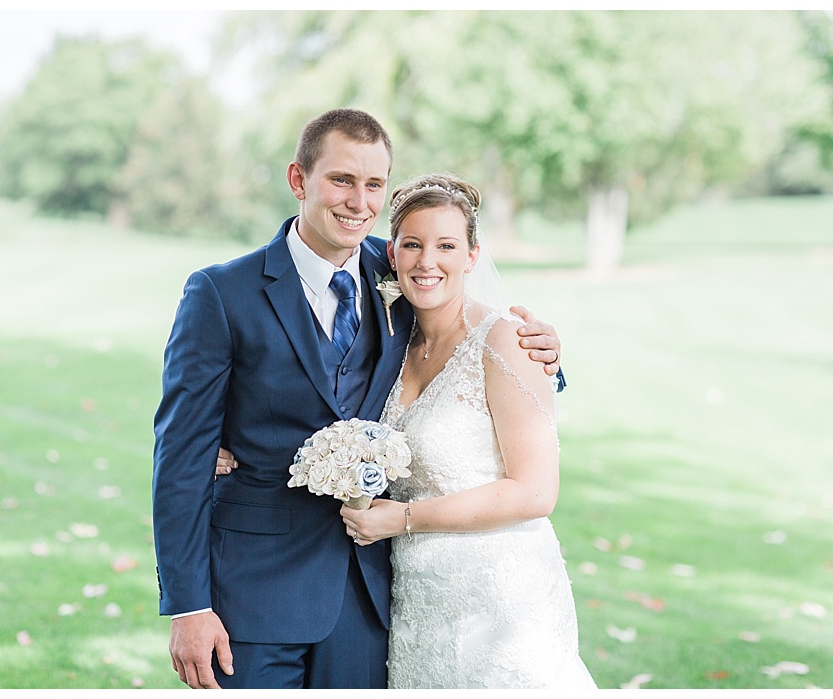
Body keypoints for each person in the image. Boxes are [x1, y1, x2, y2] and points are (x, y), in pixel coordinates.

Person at [151, 109, 564, 689]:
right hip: (254, 590)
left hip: (373, 595)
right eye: (341, 180)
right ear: (300, 180)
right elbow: (179, 456)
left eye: (374, 185)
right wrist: (188, 605)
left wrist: (545, 353)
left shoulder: (398, 266)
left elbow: (469, 344)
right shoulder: (221, 293)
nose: (359, 201)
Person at [338, 173, 594, 688]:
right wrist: (229, 443)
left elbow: (536, 491)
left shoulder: (507, 340)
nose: (426, 261)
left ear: (473, 256)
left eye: (446, 246)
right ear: (392, 253)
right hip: (419, 605)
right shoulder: (389, 344)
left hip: (501, 602)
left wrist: (403, 518)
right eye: (412, 244)